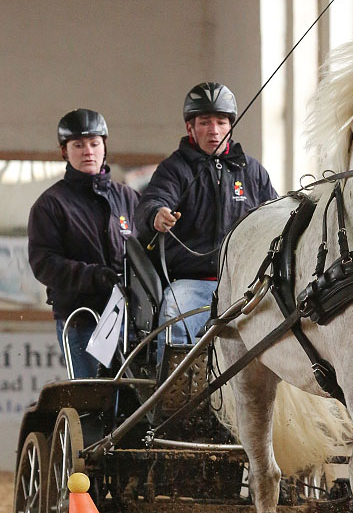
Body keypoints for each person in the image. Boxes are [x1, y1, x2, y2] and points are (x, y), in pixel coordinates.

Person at [135, 82, 277, 362]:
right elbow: (150, 203)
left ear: (230, 126)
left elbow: (275, 216)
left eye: (221, 121)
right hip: (193, 282)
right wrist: (157, 215)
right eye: (205, 122)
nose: (214, 130)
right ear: (191, 127)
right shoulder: (174, 169)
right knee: (175, 314)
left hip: (246, 285)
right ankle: (174, 398)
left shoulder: (253, 171)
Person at [28, 109, 138, 378]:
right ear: (64, 151)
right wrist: (94, 276)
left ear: (104, 146)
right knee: (93, 404)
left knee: (136, 403)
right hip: (81, 320)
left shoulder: (129, 198)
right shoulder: (50, 204)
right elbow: (44, 264)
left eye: (94, 143)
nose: (88, 151)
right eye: (78, 145)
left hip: (131, 321)